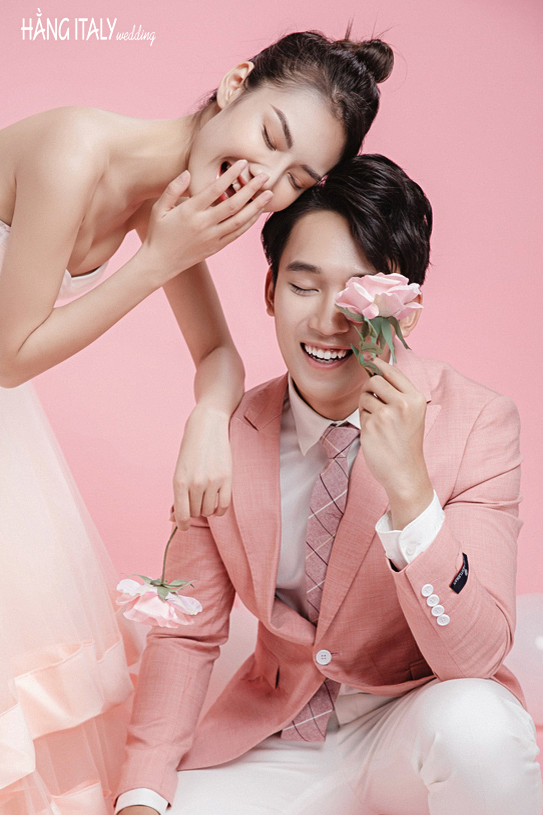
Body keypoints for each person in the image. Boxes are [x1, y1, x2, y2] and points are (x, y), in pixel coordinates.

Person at [0, 32, 394, 814]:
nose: (264, 180)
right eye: (271, 136)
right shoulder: (77, 149)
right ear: (235, 82)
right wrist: (156, 260)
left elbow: (218, 354)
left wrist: (209, 418)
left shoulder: (166, 207)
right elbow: (9, 356)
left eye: (296, 178)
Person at [116, 155, 542, 815]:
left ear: (406, 309)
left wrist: (411, 492)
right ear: (270, 291)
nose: (327, 320)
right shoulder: (225, 432)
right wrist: (141, 791)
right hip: (279, 734)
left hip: (415, 721)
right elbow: (186, 632)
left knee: (479, 728)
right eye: (303, 285)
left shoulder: (477, 421)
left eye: (359, 292)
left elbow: (476, 655)